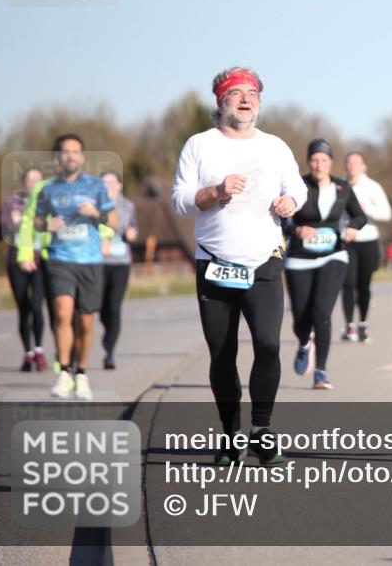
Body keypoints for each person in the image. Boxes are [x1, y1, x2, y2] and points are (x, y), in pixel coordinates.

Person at [171, 67, 306, 466]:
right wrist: (215, 192)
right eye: (237, 94)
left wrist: (291, 203)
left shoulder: (276, 146)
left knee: (267, 344)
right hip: (214, 263)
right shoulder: (200, 145)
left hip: (264, 261)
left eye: (253, 94)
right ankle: (230, 435)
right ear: (220, 101)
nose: (246, 100)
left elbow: (295, 187)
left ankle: (261, 431)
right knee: (222, 352)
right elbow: (178, 200)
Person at [35, 134, 119, 401]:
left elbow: (115, 221)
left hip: (90, 260)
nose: (70, 156)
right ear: (57, 158)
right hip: (60, 257)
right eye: (65, 152)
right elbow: (37, 221)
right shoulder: (47, 189)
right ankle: (64, 372)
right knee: (61, 313)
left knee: (85, 320)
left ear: (82, 157)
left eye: (75, 152)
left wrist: (96, 214)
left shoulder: (95, 187)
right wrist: (46, 226)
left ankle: (81, 372)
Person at [284, 139, 366, 388]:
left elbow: (360, 216)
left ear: (331, 162)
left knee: (322, 313)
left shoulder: (342, 187)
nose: (318, 165)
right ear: (308, 162)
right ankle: (304, 343)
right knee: (300, 317)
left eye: (324, 160)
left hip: (334, 255)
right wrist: (295, 230)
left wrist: (352, 227)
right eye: (314, 160)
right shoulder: (297, 186)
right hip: (299, 258)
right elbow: (282, 219)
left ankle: (321, 371)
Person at [0, 168, 48, 371]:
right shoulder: (11, 203)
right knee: (23, 308)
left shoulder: (46, 204)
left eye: (38, 179)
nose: (34, 182)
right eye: (30, 179)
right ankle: (28, 353)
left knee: (37, 305)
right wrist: (12, 222)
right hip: (16, 259)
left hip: (38, 260)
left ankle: (39, 349)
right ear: (24, 182)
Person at [340, 152, 391, 343]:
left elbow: (386, 214)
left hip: (368, 240)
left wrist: (365, 208)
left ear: (364, 166)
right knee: (347, 283)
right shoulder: (339, 185)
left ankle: (363, 324)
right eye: (348, 162)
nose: (352, 166)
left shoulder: (373, 187)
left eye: (356, 163)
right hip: (347, 240)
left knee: (363, 285)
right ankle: (349, 327)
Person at [99, 171, 138, 369]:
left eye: (111, 182)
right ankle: (108, 333)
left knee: (114, 307)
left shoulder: (128, 206)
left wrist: (132, 233)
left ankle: (110, 351)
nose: (108, 186)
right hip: (98, 263)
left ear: (120, 185)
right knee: (100, 307)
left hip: (121, 263)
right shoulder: (94, 206)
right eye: (104, 182)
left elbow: (134, 228)